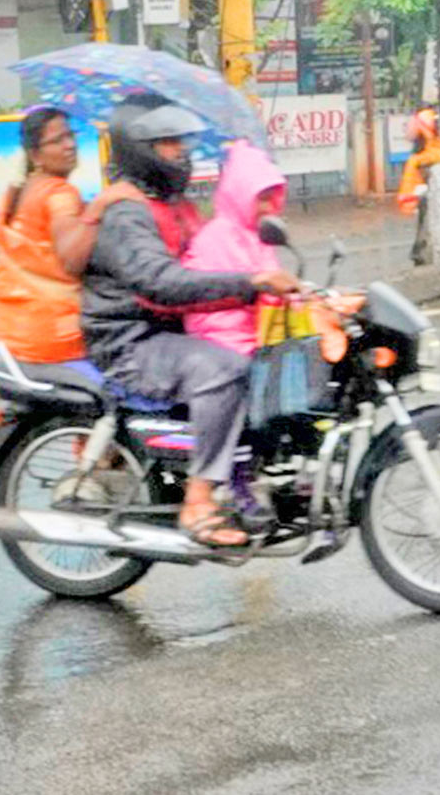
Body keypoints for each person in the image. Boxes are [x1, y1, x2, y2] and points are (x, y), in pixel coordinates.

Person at [82, 95, 298, 546]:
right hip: (130, 340)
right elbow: (160, 283)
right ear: (139, 148)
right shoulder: (126, 212)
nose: (180, 151)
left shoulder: (172, 204)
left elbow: (208, 261)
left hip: (166, 330)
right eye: (167, 143)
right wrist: (249, 282)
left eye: (180, 141)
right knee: (224, 370)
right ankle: (198, 499)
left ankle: (251, 477)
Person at [0, 106, 120, 363]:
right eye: (58, 140)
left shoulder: (15, 193)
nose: (70, 145)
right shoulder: (59, 194)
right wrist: (99, 207)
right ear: (35, 155)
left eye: (71, 136)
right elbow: (73, 259)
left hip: (10, 332)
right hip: (54, 337)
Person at [180, 140, 286, 356]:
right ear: (240, 195)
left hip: (259, 334)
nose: (266, 207)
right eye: (260, 200)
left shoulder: (257, 235)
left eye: (270, 199)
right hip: (223, 344)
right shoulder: (217, 238)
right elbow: (211, 308)